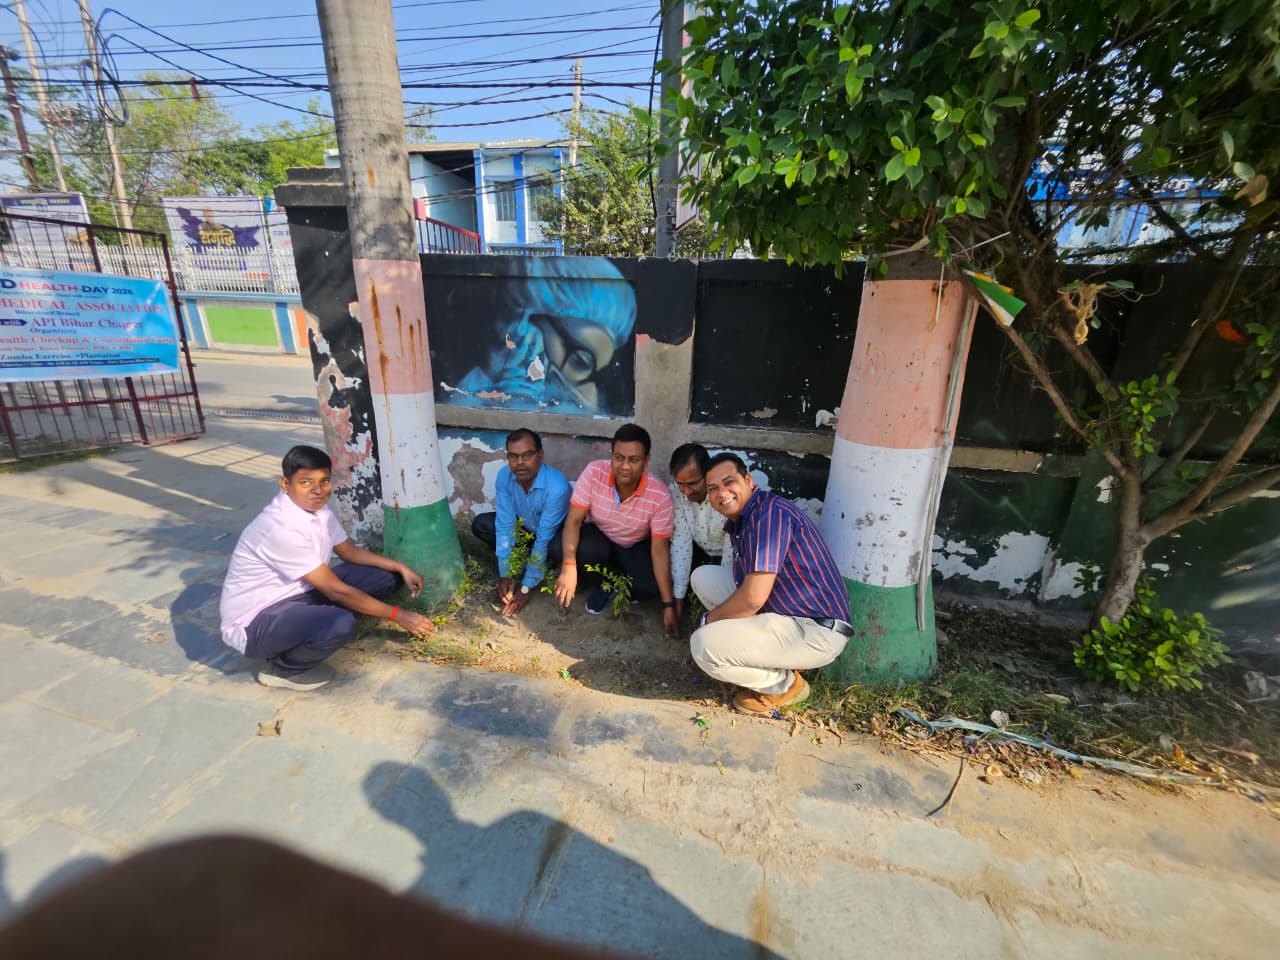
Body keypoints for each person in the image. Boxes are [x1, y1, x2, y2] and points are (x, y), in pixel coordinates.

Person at [219, 445, 435, 691]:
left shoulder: (319, 512)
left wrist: (400, 566)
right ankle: (282, 669)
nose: (318, 490)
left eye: (324, 481)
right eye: (306, 482)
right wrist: (400, 616)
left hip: (301, 592)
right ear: (285, 484)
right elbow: (336, 591)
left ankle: (321, 623)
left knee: (387, 577)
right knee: (340, 622)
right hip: (256, 622)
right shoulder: (278, 527)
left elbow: (349, 552)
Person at [689, 454, 853, 716]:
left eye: (729, 482)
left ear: (748, 480)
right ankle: (768, 657)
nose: (722, 493)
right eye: (713, 488)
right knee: (703, 577)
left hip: (815, 629)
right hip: (789, 610)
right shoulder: (746, 517)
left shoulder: (769, 516)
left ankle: (785, 686)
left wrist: (709, 620)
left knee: (703, 645)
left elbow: (753, 598)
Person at [554, 423, 678, 635]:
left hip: (632, 546)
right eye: (619, 458)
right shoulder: (594, 472)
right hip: (598, 539)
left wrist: (668, 605)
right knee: (560, 548)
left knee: (649, 588)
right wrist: (568, 567)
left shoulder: (660, 495)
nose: (625, 466)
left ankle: (614, 580)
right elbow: (573, 521)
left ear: (647, 459)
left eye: (634, 460)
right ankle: (604, 584)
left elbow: (660, 550)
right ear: (611, 455)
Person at [470, 428, 572, 617]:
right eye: (513, 456)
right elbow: (505, 526)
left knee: (555, 547)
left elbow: (544, 538)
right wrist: (506, 573)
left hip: (552, 537)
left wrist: (527, 587)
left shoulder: (557, 487)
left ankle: (545, 566)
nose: (520, 463)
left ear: (540, 455)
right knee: (482, 524)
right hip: (526, 531)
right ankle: (526, 563)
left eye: (527, 455)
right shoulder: (504, 477)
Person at [667, 442, 734, 622]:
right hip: (697, 554)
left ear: (707, 475)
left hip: (728, 559)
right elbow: (681, 544)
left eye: (692, 483)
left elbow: (731, 549)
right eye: (680, 484)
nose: (686, 491)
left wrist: (722, 603)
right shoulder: (675, 493)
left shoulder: (726, 496)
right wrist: (677, 600)